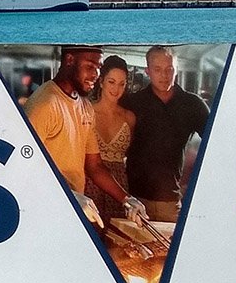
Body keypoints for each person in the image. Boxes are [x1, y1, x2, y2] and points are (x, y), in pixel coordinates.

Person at [24, 46, 147, 228]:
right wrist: (69, 195)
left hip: (72, 209)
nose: (96, 74)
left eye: (98, 67)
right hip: (48, 208)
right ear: (70, 60)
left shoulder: (85, 106)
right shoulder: (45, 104)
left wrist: (127, 199)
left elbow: (94, 166)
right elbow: (24, 167)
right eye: (90, 66)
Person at [122, 45, 209, 223]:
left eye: (169, 69)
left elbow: (217, 141)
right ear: (147, 71)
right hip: (134, 199)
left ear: (177, 70)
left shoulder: (192, 105)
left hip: (171, 202)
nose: (164, 75)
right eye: (157, 69)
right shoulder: (133, 102)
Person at [88, 55, 136, 222]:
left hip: (119, 183)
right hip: (90, 182)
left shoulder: (129, 117)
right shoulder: (86, 111)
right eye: (111, 82)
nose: (116, 89)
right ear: (101, 81)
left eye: (122, 84)